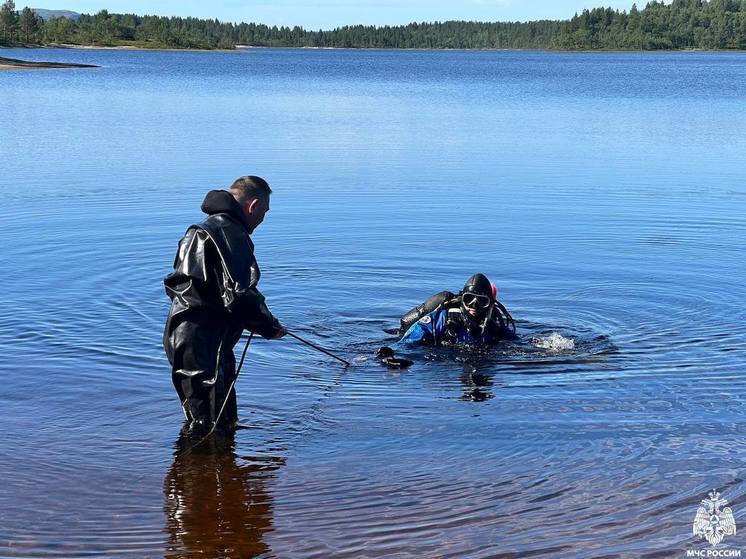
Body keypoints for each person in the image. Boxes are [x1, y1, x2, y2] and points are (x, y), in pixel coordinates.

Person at [163, 176, 286, 433]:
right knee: (211, 424)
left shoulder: (200, 229)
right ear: (253, 206)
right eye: (264, 212)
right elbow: (241, 295)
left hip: (183, 334)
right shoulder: (230, 233)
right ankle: (202, 467)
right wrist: (269, 326)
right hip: (205, 342)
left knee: (209, 418)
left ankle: (205, 471)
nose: (263, 220)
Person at [398, 273, 516, 346]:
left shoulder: (494, 327)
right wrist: (390, 354)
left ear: (490, 304)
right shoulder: (442, 318)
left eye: (481, 301)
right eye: (469, 299)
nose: (473, 306)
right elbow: (408, 341)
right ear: (462, 299)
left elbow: (517, 344)